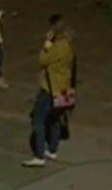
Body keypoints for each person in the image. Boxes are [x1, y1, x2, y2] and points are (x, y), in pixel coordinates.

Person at [22, 14, 75, 167]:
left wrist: (47, 44)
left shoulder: (57, 47)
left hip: (50, 88)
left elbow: (42, 60)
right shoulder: (69, 47)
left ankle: (39, 156)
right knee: (55, 119)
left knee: (38, 120)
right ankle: (53, 150)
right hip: (64, 88)